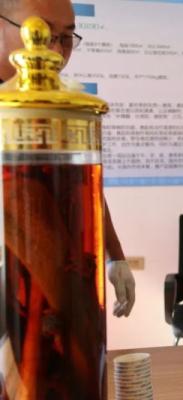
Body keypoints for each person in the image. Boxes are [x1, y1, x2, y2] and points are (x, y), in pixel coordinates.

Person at [0, 0, 135, 318]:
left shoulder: (63, 100)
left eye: (66, 38)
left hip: (62, 267)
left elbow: (86, 185)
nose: (57, 52)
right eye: (44, 35)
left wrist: (116, 256)